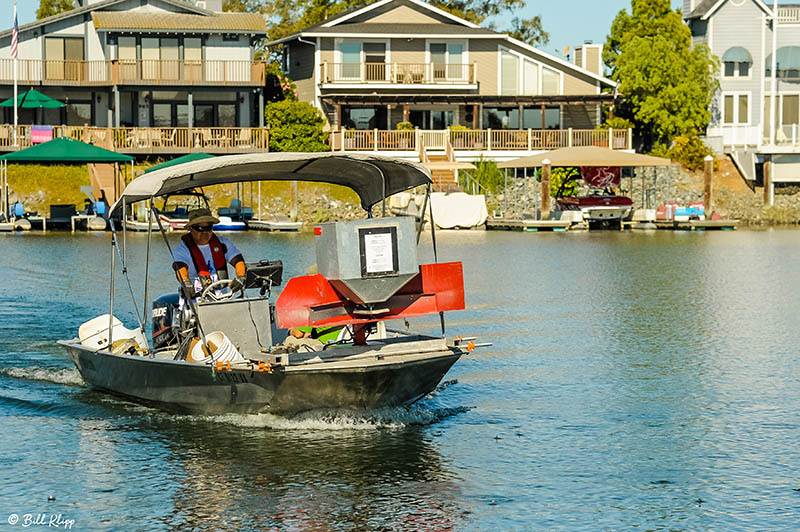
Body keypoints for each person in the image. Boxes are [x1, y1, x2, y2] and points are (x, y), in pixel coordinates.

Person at [172, 208, 246, 301]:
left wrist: (240, 276)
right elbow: (180, 268)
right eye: (200, 228)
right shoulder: (182, 249)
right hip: (196, 300)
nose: (205, 232)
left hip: (223, 298)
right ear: (190, 229)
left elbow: (238, 260)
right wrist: (185, 282)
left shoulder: (223, 243)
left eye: (208, 228)